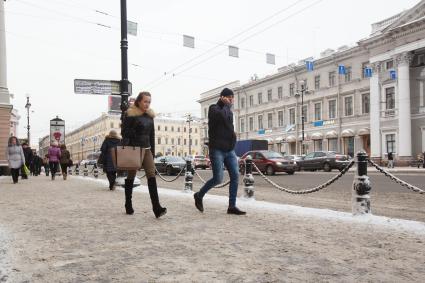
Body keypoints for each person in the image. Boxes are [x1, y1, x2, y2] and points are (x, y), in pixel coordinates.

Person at [193, 88, 246, 215]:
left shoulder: (229, 112)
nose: (231, 100)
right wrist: (224, 105)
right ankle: (199, 195)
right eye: (229, 97)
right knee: (218, 178)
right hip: (217, 149)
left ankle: (231, 206)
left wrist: (233, 139)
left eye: (232, 98)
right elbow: (220, 117)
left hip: (229, 149)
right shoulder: (213, 108)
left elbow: (229, 127)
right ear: (222, 97)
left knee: (235, 176)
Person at [121, 91, 167, 218]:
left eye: (149, 102)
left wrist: (152, 152)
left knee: (151, 176)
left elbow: (152, 135)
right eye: (145, 101)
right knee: (131, 176)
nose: (147, 104)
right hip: (134, 149)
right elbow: (124, 133)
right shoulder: (130, 114)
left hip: (147, 149)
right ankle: (128, 204)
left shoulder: (150, 116)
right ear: (139, 101)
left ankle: (156, 207)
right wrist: (135, 127)